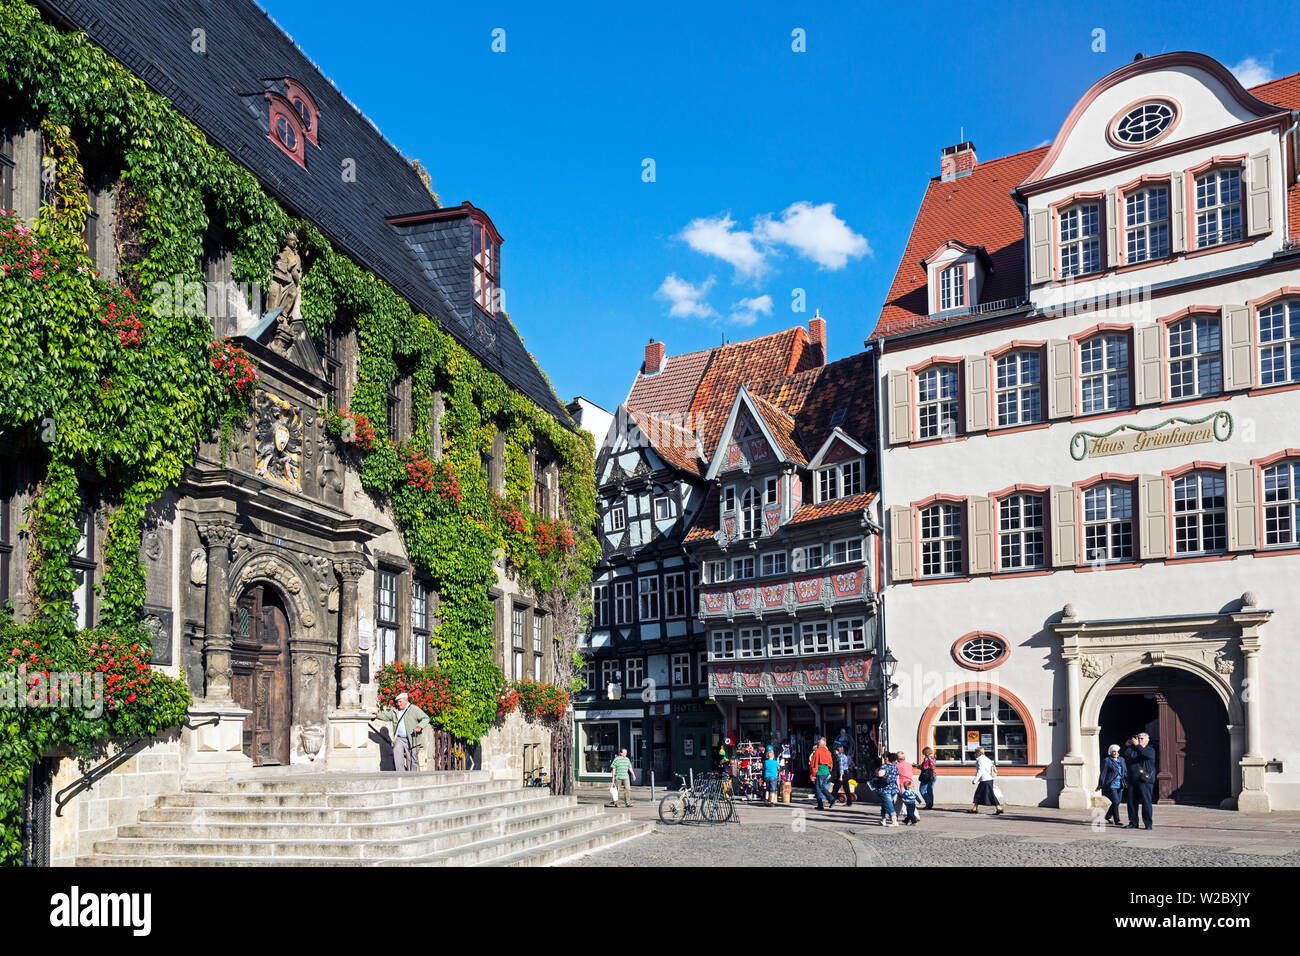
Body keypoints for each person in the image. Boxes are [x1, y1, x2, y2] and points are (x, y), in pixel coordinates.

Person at [374, 691, 430, 772]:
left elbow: (426, 718)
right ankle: (400, 775)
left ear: (406, 700)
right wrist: (376, 715)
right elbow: (386, 717)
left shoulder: (414, 709)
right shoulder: (395, 711)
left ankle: (412, 777)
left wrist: (419, 726)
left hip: (411, 738)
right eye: (397, 702)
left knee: (412, 760)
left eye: (400, 702)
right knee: (397, 755)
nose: (398, 704)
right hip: (399, 738)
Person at [1121, 732, 1156, 829]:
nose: (1139, 740)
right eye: (1138, 738)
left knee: (1146, 802)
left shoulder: (1150, 750)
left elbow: (1145, 754)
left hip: (1145, 780)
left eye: (1141, 738)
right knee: (1131, 802)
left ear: (1147, 740)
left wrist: (1137, 745)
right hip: (1132, 780)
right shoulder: (1133, 749)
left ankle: (1148, 824)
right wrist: (1127, 746)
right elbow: (1125, 755)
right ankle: (1133, 822)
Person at [1097, 744, 1126, 826]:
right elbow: (1103, 773)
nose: (1116, 753)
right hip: (1112, 784)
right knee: (1116, 801)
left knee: (1117, 802)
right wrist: (1100, 784)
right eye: (1114, 751)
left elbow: (1125, 771)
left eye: (1117, 751)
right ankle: (1117, 820)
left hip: (1120, 784)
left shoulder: (1121, 760)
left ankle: (1108, 816)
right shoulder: (1107, 760)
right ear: (1110, 752)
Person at [969, 747, 1003, 815]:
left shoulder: (981, 760)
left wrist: (975, 780)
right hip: (988, 779)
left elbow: (980, 770)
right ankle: (974, 808)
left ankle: (999, 808)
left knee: (987, 795)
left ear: (978, 753)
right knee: (980, 794)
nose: (975, 754)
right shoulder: (986, 759)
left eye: (975, 753)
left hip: (985, 780)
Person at [809, 736, 833, 810]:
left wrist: (813, 773)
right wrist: (829, 770)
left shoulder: (818, 751)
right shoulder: (828, 752)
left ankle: (821, 805)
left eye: (818, 743)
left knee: (818, 788)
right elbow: (831, 762)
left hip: (820, 772)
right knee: (821, 787)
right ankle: (831, 798)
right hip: (826, 772)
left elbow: (814, 763)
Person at [874, 759, 900, 826]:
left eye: (885, 758)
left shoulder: (884, 766)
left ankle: (894, 821)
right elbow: (897, 778)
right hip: (893, 788)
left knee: (889, 805)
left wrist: (877, 772)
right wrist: (898, 787)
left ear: (887, 759)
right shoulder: (895, 767)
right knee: (885, 803)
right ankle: (883, 820)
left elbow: (880, 774)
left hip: (885, 788)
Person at [828, 744, 854, 808]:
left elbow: (841, 767)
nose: (834, 751)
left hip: (841, 773)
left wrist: (841, 776)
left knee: (836, 788)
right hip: (845, 772)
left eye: (836, 750)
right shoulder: (844, 756)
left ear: (838, 750)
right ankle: (849, 802)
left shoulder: (840, 757)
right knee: (846, 788)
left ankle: (832, 801)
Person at [893, 750, 914, 816]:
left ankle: (915, 815)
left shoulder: (897, 766)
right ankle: (895, 815)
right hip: (911, 783)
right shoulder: (909, 765)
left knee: (906, 801)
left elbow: (896, 777)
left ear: (897, 757)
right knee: (902, 801)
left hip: (903, 784)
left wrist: (898, 786)